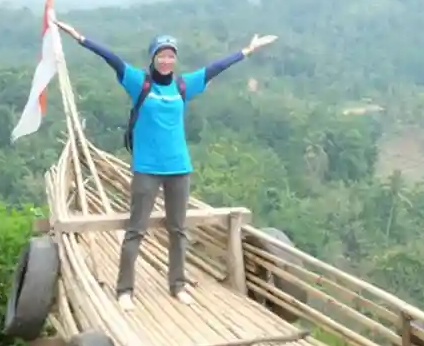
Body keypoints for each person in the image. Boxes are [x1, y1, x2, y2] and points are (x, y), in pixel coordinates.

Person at [54, 20, 276, 310]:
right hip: (146, 167)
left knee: (178, 229)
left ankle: (178, 284)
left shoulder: (183, 85)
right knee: (136, 229)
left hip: (178, 168)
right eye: (161, 54)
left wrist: (247, 50)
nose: (167, 59)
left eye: (171, 55)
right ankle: (125, 289)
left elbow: (215, 68)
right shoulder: (139, 83)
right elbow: (112, 59)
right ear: (153, 58)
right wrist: (80, 38)